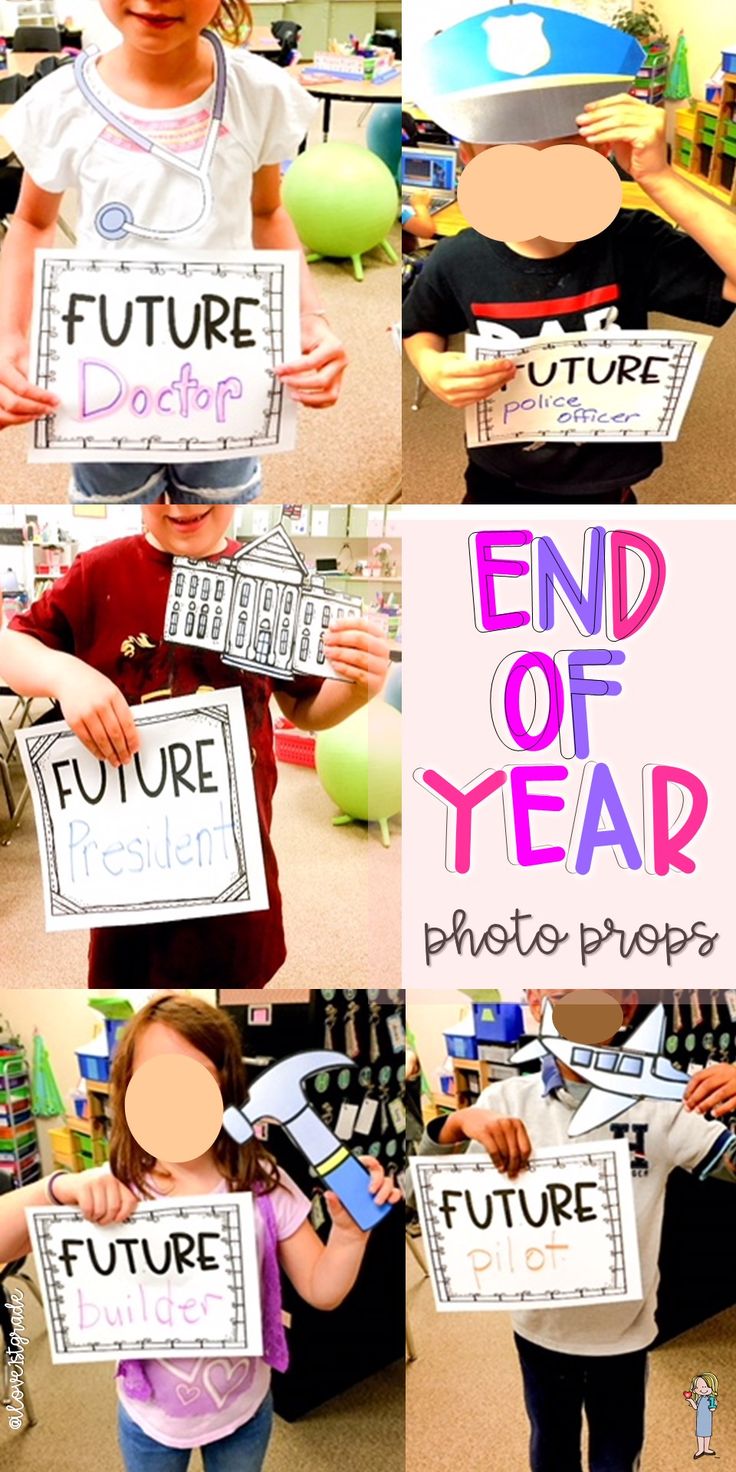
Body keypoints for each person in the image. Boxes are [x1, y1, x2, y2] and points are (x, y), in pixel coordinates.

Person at [0, 993, 402, 1470]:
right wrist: (59, 1187)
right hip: (148, 1416)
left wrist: (349, 1235)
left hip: (243, 1410)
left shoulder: (263, 1182)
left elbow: (321, 1289)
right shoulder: (117, 1185)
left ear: (224, 1087)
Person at [0, 503, 390, 985]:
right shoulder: (96, 573)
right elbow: (11, 647)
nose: (183, 503)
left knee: (236, 984)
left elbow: (302, 707)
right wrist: (64, 674)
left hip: (236, 884)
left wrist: (357, 688)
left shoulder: (271, 584)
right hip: (124, 877)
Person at [0, 0, 347, 504]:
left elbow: (266, 212)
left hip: (225, 378)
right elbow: (33, 221)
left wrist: (310, 317)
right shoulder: (59, 102)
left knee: (217, 508)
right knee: (113, 513)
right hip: (103, 382)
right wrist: (9, 334)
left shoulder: (260, 94)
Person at [418, 988, 736, 1472]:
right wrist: (456, 1124)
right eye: (557, 995)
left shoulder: (663, 1101)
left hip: (624, 1335)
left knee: (616, 1451)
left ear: (626, 1009)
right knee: (550, 1445)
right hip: (540, 1331)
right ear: (532, 1004)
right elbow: (425, 1200)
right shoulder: (503, 1100)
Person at [403, 94, 736, 504]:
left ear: (596, 151)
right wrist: (430, 363)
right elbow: (421, 323)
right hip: (497, 481)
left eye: (561, 155)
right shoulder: (457, 258)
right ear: (471, 157)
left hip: (605, 484)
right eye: (508, 160)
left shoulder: (633, 243)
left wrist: (661, 178)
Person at [685, 1372, 719, 1459]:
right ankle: (700, 1449)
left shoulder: (711, 1399)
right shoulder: (699, 1399)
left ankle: (706, 1448)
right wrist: (690, 1400)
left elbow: (713, 1407)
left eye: (705, 1387)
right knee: (700, 1434)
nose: (702, 1389)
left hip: (707, 1419)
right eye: (698, 1387)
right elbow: (696, 1407)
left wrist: (712, 1408)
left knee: (707, 1434)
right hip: (700, 1419)